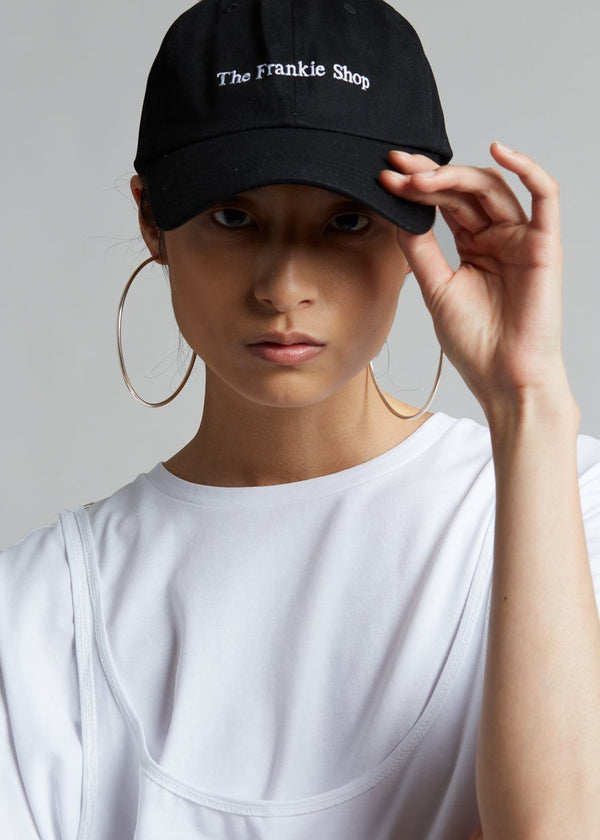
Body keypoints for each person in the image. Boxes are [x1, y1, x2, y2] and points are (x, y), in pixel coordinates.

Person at [2, 1, 600, 839]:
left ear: (421, 225)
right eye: (234, 218)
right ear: (151, 219)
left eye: (345, 221)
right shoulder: (39, 611)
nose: (283, 287)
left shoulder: (571, 510)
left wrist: (527, 402)